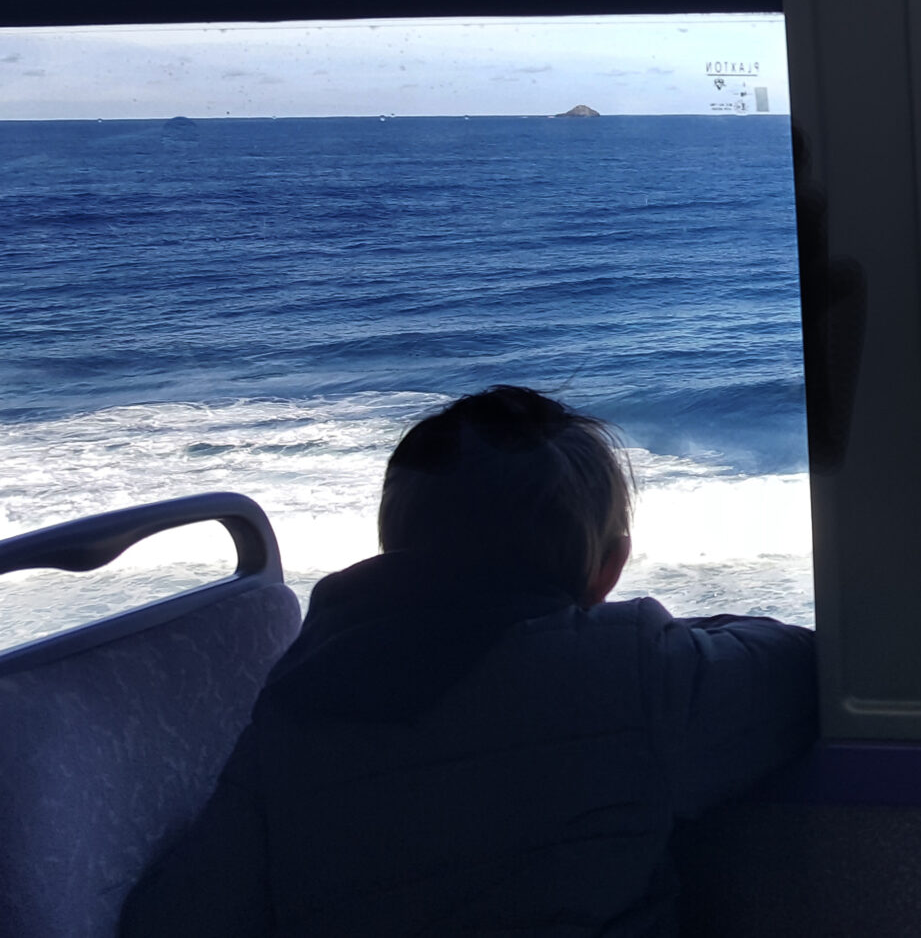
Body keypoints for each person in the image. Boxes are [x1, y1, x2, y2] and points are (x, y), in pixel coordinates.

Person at [120, 386, 816, 938]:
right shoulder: (633, 670)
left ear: (390, 547)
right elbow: (799, 668)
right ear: (610, 569)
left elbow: (178, 918)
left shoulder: (292, 703)